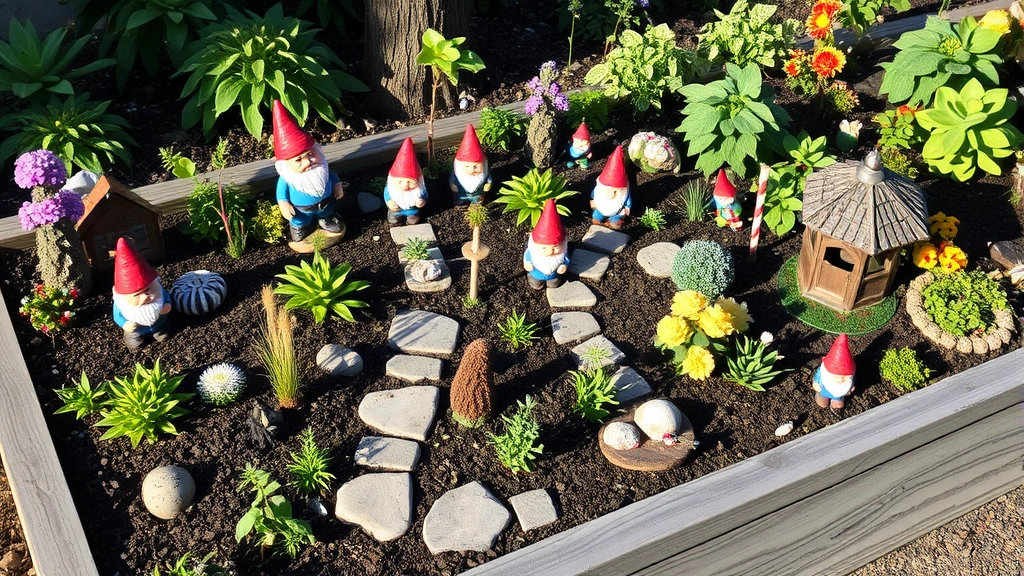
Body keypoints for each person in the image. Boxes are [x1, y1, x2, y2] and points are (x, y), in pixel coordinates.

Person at [273, 100, 345, 244]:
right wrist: (284, 204)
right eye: (298, 160)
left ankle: (326, 220)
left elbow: (332, 176)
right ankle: (300, 227)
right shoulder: (288, 178)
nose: (308, 162)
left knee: (327, 213)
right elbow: (281, 193)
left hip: (325, 203)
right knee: (300, 220)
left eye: (310, 154)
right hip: (301, 210)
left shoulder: (322, 170)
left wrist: (337, 185)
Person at [111, 237, 171, 349]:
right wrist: (125, 324)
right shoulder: (122, 304)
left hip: (158, 324)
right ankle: (137, 339)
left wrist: (167, 305)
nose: (145, 297)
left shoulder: (158, 292)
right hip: (137, 330)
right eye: (136, 295)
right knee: (134, 342)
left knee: (163, 333)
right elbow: (117, 316)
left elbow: (166, 297)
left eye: (148, 290)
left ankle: (159, 332)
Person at [524, 199, 570, 290]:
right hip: (536, 273)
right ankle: (537, 284)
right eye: (544, 248)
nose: (550, 252)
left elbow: (566, 259)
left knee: (554, 283)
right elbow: (527, 257)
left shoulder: (561, 253)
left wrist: (564, 265)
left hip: (554, 274)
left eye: (556, 247)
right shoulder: (533, 252)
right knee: (535, 283)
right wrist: (527, 263)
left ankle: (552, 284)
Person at [384, 138, 428, 226]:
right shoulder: (391, 188)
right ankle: (395, 224)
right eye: (399, 182)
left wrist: (422, 201)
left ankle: (411, 224)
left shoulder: (419, 189)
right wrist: (389, 201)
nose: (404, 186)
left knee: (413, 219)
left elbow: (424, 196)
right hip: (396, 210)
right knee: (394, 218)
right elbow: (387, 195)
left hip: (412, 210)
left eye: (409, 182)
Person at [590, 145, 631, 230]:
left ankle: (611, 223)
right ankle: (597, 221)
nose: (611, 191)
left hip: (617, 212)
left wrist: (627, 207)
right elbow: (593, 193)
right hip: (600, 209)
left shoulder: (623, 192)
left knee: (616, 223)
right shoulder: (600, 189)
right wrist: (592, 199)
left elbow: (628, 200)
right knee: (596, 216)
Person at [450, 124, 491, 205]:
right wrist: (452, 184)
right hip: (462, 194)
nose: (472, 169)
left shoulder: (483, 175)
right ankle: (461, 202)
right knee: (460, 198)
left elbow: (489, 179)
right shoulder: (458, 175)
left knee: (478, 200)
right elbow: (452, 179)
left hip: (477, 194)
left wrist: (488, 184)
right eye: (467, 166)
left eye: (476, 166)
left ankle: (477, 204)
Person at [812, 334, 856, 410]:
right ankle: (822, 401)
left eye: (845, 378)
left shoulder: (847, 382)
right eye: (838, 377)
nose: (842, 379)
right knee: (822, 403)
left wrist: (850, 388)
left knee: (839, 405)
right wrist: (817, 386)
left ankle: (836, 403)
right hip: (824, 392)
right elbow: (816, 381)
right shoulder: (823, 375)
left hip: (839, 394)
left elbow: (851, 382)